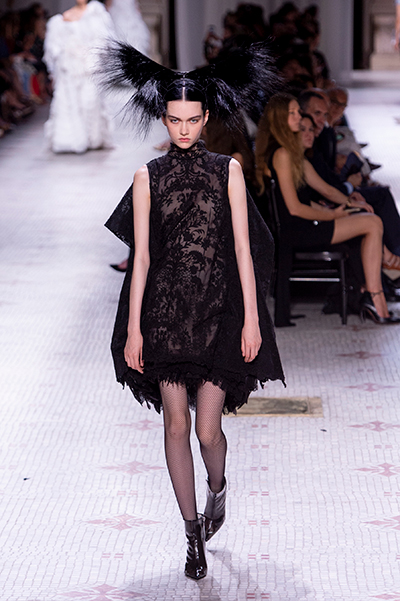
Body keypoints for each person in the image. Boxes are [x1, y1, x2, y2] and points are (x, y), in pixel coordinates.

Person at [101, 42, 284, 579]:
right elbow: (141, 258)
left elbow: (245, 249)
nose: (183, 129)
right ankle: (191, 535)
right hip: (164, 315)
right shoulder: (147, 176)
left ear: (206, 119)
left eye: (192, 120)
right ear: (165, 118)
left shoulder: (228, 170)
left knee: (208, 432)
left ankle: (217, 489)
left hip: (220, 310)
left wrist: (252, 319)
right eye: (175, 119)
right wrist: (134, 330)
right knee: (175, 425)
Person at [255, 93, 400, 325]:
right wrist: (332, 214)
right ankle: (376, 298)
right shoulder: (282, 154)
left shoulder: (292, 154)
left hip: (308, 224)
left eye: (297, 111)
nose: (298, 116)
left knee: (367, 217)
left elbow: (326, 190)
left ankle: (375, 294)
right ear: (280, 119)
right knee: (372, 223)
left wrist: (351, 204)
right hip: (299, 231)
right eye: (292, 113)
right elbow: (293, 208)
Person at [43, 0, 114, 153]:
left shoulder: (96, 13)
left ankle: (92, 138)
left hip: (89, 66)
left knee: (90, 101)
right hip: (68, 67)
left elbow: (104, 43)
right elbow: (55, 46)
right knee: (69, 101)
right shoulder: (63, 18)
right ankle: (68, 140)